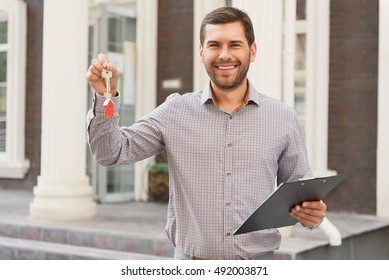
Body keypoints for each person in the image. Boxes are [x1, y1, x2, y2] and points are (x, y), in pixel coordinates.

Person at [86, 6, 326, 260]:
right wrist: (105, 96)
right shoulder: (175, 111)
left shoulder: (282, 118)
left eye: (235, 45)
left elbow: (303, 193)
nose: (225, 55)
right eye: (214, 45)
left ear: (252, 51)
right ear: (202, 52)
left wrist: (313, 214)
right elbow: (111, 152)